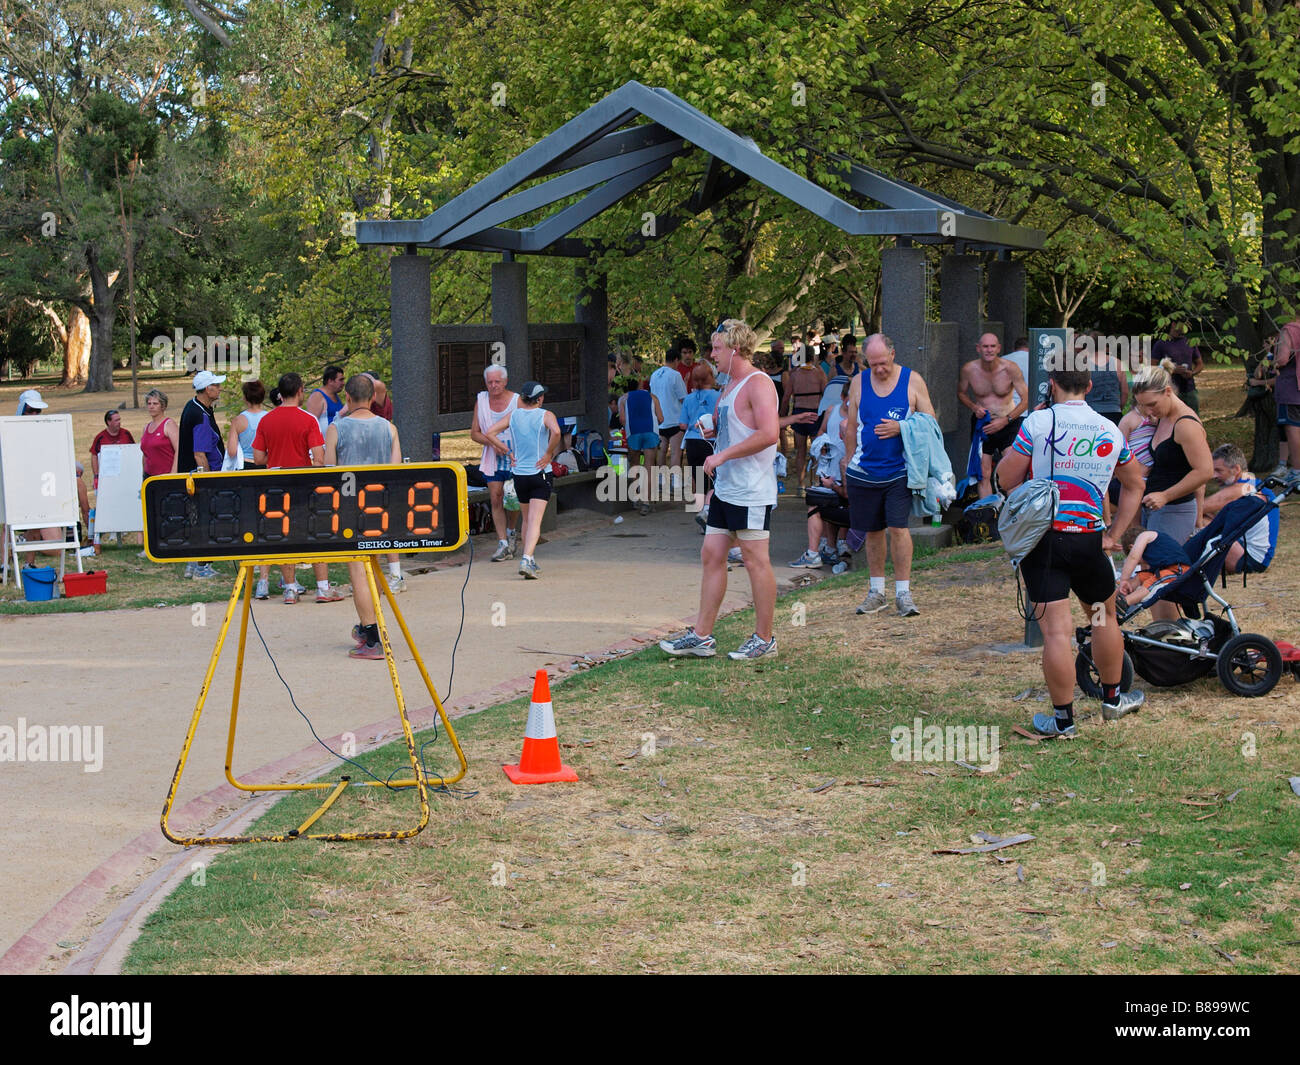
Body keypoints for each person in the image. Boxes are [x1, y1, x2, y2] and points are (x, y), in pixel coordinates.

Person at [996, 366, 1147, 736]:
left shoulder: (1037, 423)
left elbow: (1005, 478)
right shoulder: (1109, 428)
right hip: (1089, 541)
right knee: (1102, 618)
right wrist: (1115, 532)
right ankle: (1112, 700)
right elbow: (1135, 484)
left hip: (1045, 543)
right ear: (1090, 386)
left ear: (1052, 385)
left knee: (1057, 634)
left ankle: (1064, 721)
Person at [660, 318, 781, 661]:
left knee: (756, 561)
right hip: (727, 489)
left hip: (751, 489)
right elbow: (740, 429)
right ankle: (702, 635)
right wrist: (716, 432)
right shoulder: (729, 386)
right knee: (712, 555)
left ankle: (765, 639)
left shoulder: (757, 383)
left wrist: (724, 453)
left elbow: (770, 433)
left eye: (716, 348)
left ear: (737, 349)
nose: (711, 355)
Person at [845, 333, 935, 618]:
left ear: (893, 355)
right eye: (873, 365)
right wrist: (848, 464)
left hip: (899, 470)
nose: (879, 369)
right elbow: (850, 426)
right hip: (864, 470)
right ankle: (876, 591)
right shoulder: (858, 382)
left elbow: (931, 422)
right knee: (872, 531)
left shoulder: (913, 380)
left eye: (883, 363)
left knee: (898, 529)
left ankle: (903, 593)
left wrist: (901, 428)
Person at [325, 374, 402, 659]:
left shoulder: (336, 429)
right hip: (381, 504)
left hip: (350, 506)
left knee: (357, 567)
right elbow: (397, 471)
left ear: (347, 398)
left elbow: (329, 472)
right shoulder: (389, 429)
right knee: (376, 565)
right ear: (372, 398)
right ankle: (369, 623)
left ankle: (371, 634)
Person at [252, 372, 342, 604]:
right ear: (301, 390)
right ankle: (322, 588)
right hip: (304, 484)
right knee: (316, 533)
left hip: (275, 484)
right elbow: (319, 458)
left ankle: (290, 589)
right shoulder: (308, 420)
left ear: (280, 393)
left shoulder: (266, 420)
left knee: (284, 536)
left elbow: (259, 458)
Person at [485, 381, 560, 579]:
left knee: (527, 519)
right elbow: (557, 432)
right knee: (535, 520)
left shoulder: (514, 415)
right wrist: (548, 453)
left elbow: (490, 432)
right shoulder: (545, 415)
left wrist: (507, 451)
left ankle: (530, 557)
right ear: (540, 399)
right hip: (540, 473)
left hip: (519, 475)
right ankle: (526, 559)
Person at [1132, 361, 1213, 544]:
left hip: (1175, 508)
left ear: (1168, 392)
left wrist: (1166, 495)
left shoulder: (1186, 425)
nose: (1148, 411)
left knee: (1164, 567)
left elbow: (1205, 471)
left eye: (1152, 404)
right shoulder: (1163, 416)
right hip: (1154, 506)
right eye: (1143, 406)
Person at [957, 332, 1029, 497]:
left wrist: (1006, 420)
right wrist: (974, 407)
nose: (989, 350)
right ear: (978, 348)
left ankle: (1014, 517)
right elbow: (961, 393)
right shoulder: (969, 369)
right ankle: (987, 518)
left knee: (1012, 475)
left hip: (1008, 423)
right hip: (984, 424)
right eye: (985, 346)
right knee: (984, 475)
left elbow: (1026, 400)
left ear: (998, 348)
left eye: (992, 346)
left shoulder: (1010, 368)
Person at [224, 380, 272, 598]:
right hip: (266, 466)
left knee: (249, 521)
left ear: (245, 397)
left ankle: (247, 574)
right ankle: (264, 579)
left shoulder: (239, 421)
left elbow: (232, 451)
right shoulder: (269, 418)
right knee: (267, 520)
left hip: (246, 467)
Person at [1197, 443, 1275, 576]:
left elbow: (1194, 510)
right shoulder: (1253, 483)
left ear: (1236, 469)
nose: (1213, 476)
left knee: (1199, 519)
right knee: (1204, 518)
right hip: (1248, 552)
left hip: (1249, 559)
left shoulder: (1243, 488)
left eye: (1218, 470)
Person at [469, 364, 521, 562]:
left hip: (514, 457)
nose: (493, 386)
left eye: (497, 382)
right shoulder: (481, 400)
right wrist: (493, 443)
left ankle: (511, 530)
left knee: (513, 498)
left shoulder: (517, 401)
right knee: (496, 497)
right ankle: (502, 543)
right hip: (493, 457)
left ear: (505, 381)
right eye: (489, 382)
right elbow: (474, 433)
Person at [177, 371, 225, 578]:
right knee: (205, 519)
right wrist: (206, 481)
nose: (219, 388)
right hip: (199, 474)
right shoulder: (200, 415)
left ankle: (192, 564)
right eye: (216, 385)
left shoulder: (194, 407)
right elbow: (200, 454)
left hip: (190, 474)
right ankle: (201, 567)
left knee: (194, 519)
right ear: (208, 389)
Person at [679, 362, 721, 529]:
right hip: (711, 441)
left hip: (692, 441)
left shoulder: (689, 399)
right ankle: (710, 514)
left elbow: (682, 424)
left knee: (700, 480)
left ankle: (702, 513)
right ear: (710, 376)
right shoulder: (718, 396)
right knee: (716, 479)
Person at [1117, 526, 1190, 621]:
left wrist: (1124, 580)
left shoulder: (1144, 536)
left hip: (1178, 570)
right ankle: (1113, 600)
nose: (1144, 565)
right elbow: (1143, 571)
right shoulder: (1154, 544)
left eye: (1141, 563)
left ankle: (1125, 602)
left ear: (1132, 547)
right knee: (1140, 576)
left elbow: (1133, 557)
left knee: (1150, 583)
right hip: (1166, 571)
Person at [617, 376, 664, 514]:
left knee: (635, 465)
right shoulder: (652, 397)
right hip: (650, 431)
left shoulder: (623, 399)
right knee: (649, 466)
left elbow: (622, 419)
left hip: (633, 432)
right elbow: (661, 418)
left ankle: (636, 497)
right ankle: (646, 501)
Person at [785, 344, 827, 490]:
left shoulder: (795, 375)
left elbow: (786, 397)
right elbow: (826, 394)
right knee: (816, 450)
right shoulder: (819, 373)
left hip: (799, 413)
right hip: (815, 413)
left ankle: (800, 484)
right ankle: (814, 481)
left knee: (800, 451)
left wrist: (782, 416)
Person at [650, 347, 688, 479]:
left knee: (661, 451)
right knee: (675, 453)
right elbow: (683, 397)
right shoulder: (675, 375)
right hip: (674, 419)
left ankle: (661, 481)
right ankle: (674, 482)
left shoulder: (654, 374)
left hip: (659, 419)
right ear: (676, 360)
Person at [1271, 310, 1300, 474]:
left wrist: (1273, 362)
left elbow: (1282, 359)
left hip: (1292, 389)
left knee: (1293, 430)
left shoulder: (1289, 330)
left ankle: (1297, 471)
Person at [1151, 322, 1203, 413]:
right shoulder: (1161, 343)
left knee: (1193, 417)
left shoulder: (1189, 342)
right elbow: (1152, 367)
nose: (1187, 327)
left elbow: (1200, 364)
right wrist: (1172, 369)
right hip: (1169, 390)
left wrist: (1192, 373)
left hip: (1189, 389)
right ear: (1174, 324)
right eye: (1184, 324)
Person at [1081, 335, 1127, 425]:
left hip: (1091, 414)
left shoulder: (1084, 364)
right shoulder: (1117, 363)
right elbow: (1125, 392)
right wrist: (1117, 407)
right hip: (1114, 413)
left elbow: (1080, 392)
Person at [89, 410, 135, 487]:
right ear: (109, 422)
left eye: (119, 419)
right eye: (116, 420)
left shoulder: (126, 434)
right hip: (107, 476)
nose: (119, 422)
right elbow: (94, 456)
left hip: (125, 475)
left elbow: (133, 451)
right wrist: (96, 476)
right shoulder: (100, 437)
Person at [140, 389, 179, 478]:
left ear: (163, 406)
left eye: (155, 404)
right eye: (149, 404)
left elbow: (179, 450)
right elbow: (145, 454)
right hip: (149, 477)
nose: (151, 406)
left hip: (166, 476)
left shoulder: (169, 424)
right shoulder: (146, 428)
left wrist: (173, 474)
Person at [304, 365, 346, 437]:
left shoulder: (336, 395)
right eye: (340, 380)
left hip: (336, 444)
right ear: (330, 381)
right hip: (323, 445)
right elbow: (309, 426)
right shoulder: (317, 397)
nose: (343, 383)